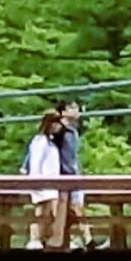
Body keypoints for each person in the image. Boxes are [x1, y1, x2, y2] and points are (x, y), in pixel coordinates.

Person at [24, 110, 67, 250]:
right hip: (42, 183)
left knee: (49, 214)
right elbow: (35, 163)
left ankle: (43, 239)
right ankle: (35, 239)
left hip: (51, 184)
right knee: (41, 212)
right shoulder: (40, 141)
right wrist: (36, 182)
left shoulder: (50, 142)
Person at [57, 99, 94, 250]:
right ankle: (87, 239)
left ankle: (76, 239)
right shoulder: (59, 131)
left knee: (74, 208)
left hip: (73, 175)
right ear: (64, 112)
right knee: (74, 208)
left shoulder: (73, 131)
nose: (76, 110)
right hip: (64, 177)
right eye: (72, 108)